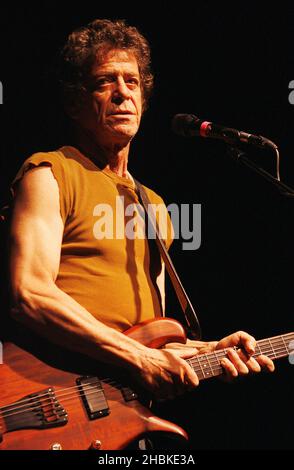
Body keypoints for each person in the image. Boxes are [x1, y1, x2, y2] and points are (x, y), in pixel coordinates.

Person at [8, 19, 274, 446]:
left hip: (121, 421)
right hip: (49, 403)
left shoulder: (153, 206)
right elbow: (29, 294)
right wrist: (138, 355)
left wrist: (203, 351)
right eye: (104, 82)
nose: (122, 93)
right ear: (75, 102)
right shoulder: (51, 173)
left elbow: (150, 333)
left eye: (132, 81)